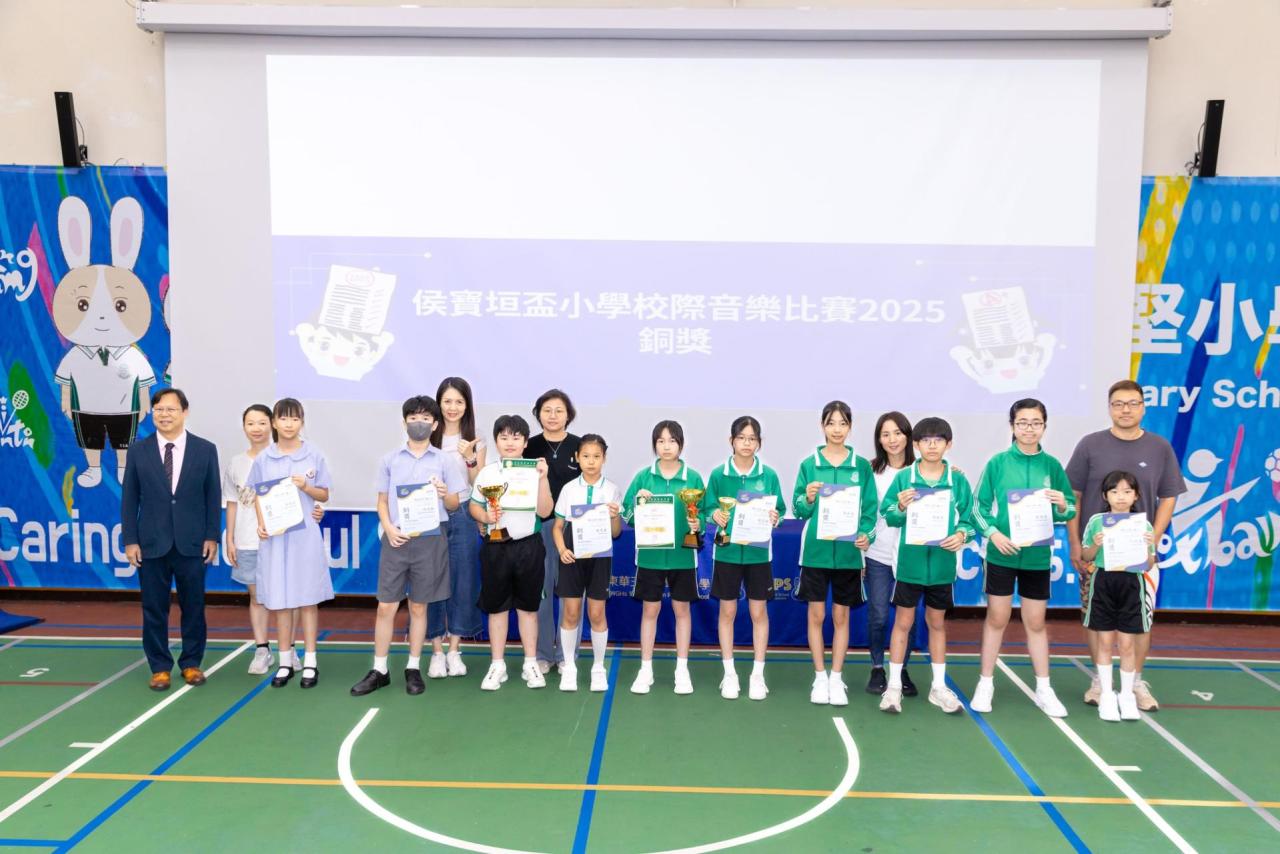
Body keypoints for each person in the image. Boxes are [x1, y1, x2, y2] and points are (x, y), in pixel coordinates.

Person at [1065, 379, 1186, 711]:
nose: (1125, 409)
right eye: (1118, 403)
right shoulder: (1090, 445)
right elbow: (1073, 497)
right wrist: (1076, 543)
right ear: (1109, 408)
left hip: (1139, 558)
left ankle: (1135, 684)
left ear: (1143, 407)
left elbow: (1169, 496)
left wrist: (1153, 539)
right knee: (1095, 619)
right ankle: (1099, 680)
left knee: (1140, 620)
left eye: (1133, 403)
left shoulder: (1159, 447)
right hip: (1097, 557)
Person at [351, 396, 468, 697]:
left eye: (426, 418)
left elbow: (454, 504)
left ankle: (413, 667)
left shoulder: (444, 460)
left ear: (435, 424)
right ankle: (379, 669)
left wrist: (444, 493)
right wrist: (389, 528)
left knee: (419, 606)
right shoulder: (389, 460)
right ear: (404, 423)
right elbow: (381, 501)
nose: (419, 423)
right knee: (386, 606)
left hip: (430, 540)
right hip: (397, 539)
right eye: (413, 418)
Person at [970, 399, 1076, 717]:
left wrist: (1062, 504)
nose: (1029, 429)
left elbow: (1069, 508)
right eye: (1022, 423)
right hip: (1001, 554)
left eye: (1035, 423)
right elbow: (977, 507)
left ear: (1044, 426)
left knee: (1036, 622)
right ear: (1012, 426)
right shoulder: (998, 463)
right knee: (997, 618)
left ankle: (1044, 688)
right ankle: (985, 684)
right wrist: (993, 534)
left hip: (1037, 557)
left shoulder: (1052, 466)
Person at [120, 387, 221, 691]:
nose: (164, 415)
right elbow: (129, 498)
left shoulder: (205, 449)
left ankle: (191, 663)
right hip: (151, 543)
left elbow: (212, 496)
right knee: (154, 608)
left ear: (184, 412)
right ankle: (159, 667)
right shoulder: (138, 450)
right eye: (159, 409)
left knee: (194, 606)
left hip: (192, 542)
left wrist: (212, 536)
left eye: (171, 409)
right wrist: (130, 540)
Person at [878, 417, 974, 715]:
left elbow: (969, 520)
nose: (932, 446)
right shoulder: (904, 478)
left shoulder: (957, 480)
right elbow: (888, 514)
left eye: (938, 440)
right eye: (926, 441)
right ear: (916, 445)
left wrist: (961, 534)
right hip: (910, 565)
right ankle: (894, 686)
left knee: (937, 623)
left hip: (942, 566)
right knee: (903, 622)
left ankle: (938, 687)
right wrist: (901, 506)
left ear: (949, 444)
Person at [792, 401, 878, 707]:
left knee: (841, 616)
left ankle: (837, 677)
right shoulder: (809, 464)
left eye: (843, 423)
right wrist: (808, 498)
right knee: (816, 615)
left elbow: (870, 511)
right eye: (831, 423)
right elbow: (798, 509)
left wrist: (866, 535)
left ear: (850, 427)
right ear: (822, 426)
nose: (837, 429)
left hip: (848, 555)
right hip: (815, 554)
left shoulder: (861, 466)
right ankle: (819, 677)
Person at [248, 398, 333, 689]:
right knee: (281, 602)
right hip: (275, 539)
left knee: (308, 600)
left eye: (294, 419)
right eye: (283, 418)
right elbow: (258, 495)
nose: (289, 424)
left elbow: (324, 494)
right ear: (274, 422)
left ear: (302, 422)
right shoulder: (264, 458)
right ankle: (285, 661)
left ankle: (310, 662)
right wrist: (262, 523)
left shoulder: (313, 455)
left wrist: (306, 487)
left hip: (305, 537)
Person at [703, 416, 785, 701]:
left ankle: (757, 675)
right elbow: (706, 509)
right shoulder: (718, 475)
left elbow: (780, 510)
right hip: (726, 552)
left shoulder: (769, 475)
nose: (746, 443)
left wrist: (775, 517)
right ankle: (729, 674)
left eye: (752, 439)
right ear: (731, 441)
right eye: (741, 438)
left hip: (758, 554)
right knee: (727, 612)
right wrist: (714, 515)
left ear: (759, 443)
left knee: (758, 613)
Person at [621, 420, 706, 695]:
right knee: (650, 611)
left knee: (682, 611)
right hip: (650, 557)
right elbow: (627, 515)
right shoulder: (643, 478)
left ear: (681, 444)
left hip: (683, 556)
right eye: (660, 441)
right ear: (654, 445)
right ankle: (645, 669)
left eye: (672, 441)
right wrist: (638, 504)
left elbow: (704, 513)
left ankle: (682, 669)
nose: (666, 446)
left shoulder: (693, 478)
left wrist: (698, 524)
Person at [471, 415, 553, 691]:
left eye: (516, 437)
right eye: (504, 437)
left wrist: (543, 479)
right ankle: (498, 665)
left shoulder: (536, 471)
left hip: (529, 546)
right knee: (497, 608)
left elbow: (545, 511)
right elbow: (474, 506)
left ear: (525, 442)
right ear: (496, 441)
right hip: (496, 547)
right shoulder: (488, 473)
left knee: (528, 609)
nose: (510, 442)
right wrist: (485, 515)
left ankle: (531, 663)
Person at [1080, 471, 1156, 722]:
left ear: (1136, 495)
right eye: (1114, 491)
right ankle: (1106, 696)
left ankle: (1126, 696)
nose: (1120, 497)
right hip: (1103, 582)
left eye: (1126, 492)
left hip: (1132, 583)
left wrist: (1146, 547)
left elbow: (1148, 564)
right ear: (1105, 496)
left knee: (1126, 644)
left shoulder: (1143, 526)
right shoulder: (1096, 522)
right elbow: (1086, 556)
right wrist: (1097, 544)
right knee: (1104, 642)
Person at [551, 433, 623, 692]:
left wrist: (614, 516)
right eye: (586, 456)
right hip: (572, 553)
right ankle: (569, 666)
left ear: (604, 458)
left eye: (596, 456)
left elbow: (616, 533)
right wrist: (562, 549)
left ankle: (598, 668)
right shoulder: (569, 489)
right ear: (577, 458)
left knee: (596, 613)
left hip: (600, 554)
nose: (591, 461)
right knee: (570, 612)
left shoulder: (611, 489)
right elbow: (557, 527)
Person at [427, 377, 486, 678]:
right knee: (432, 581)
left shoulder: (474, 438)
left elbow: (480, 484)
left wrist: (471, 458)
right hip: (430, 515)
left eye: (459, 402)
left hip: (463, 513)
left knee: (464, 580)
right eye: (447, 401)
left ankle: (454, 649)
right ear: (438, 404)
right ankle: (436, 651)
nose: (452, 407)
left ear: (467, 405)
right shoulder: (427, 434)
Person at [525, 389, 582, 675]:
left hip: (575, 527)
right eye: (547, 410)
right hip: (540, 526)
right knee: (543, 592)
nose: (553, 415)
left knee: (572, 593)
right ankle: (544, 654)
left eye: (559, 410)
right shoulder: (529, 446)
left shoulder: (580, 445)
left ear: (568, 414)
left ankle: (567, 654)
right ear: (538, 414)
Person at [864, 411, 918, 697]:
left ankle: (900, 668)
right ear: (878, 439)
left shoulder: (923, 470)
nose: (892, 439)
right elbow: (863, 513)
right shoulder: (870, 471)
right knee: (879, 616)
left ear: (908, 436)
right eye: (885, 434)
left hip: (912, 556)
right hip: (877, 554)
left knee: (908, 619)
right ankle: (877, 667)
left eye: (898, 433)